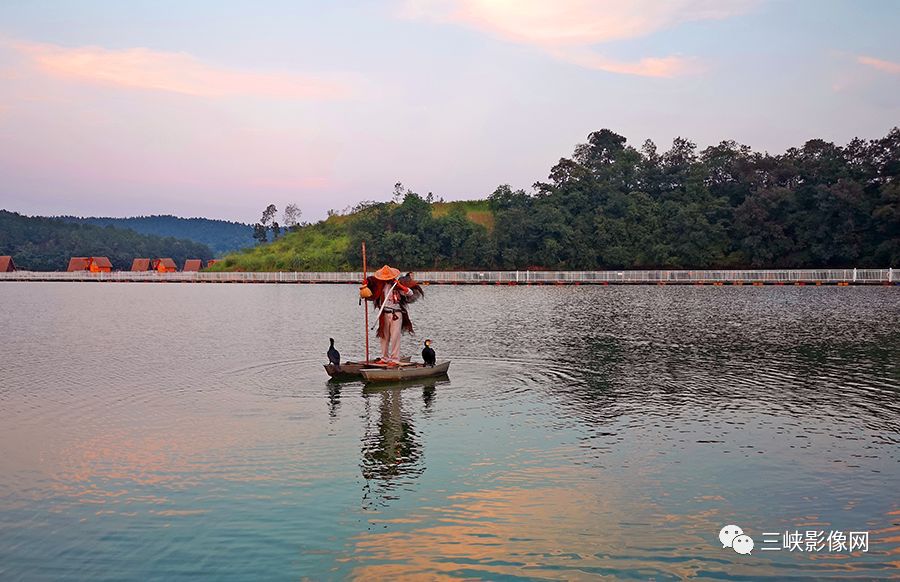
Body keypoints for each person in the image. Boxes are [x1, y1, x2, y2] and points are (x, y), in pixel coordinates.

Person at [360, 265, 424, 365]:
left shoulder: (397, 285)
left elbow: (410, 293)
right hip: (384, 314)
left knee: (395, 337)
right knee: (384, 337)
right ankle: (384, 358)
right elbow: (371, 291)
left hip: (396, 314)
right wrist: (366, 284)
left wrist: (400, 286)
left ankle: (394, 359)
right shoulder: (381, 285)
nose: (386, 279)